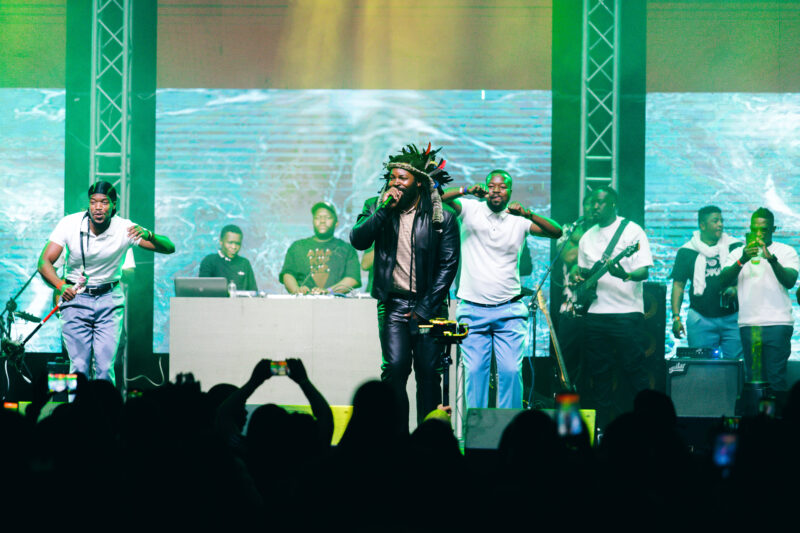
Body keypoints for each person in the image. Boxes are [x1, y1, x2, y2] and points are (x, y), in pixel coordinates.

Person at [350, 143, 459, 431]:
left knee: (428, 374)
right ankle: (394, 438)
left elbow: (449, 265)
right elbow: (358, 239)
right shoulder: (375, 206)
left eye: (403, 178)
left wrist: (425, 308)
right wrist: (384, 210)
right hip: (394, 304)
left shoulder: (442, 215)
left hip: (430, 307)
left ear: (418, 182)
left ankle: (428, 438)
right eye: (392, 177)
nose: (395, 183)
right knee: (395, 370)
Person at [442, 170, 562, 409]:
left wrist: (528, 213)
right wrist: (466, 190)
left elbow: (556, 232)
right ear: (485, 188)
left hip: (509, 311)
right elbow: (438, 197)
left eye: (502, 186)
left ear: (510, 191)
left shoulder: (519, 219)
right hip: (472, 310)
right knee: (475, 372)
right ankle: (476, 426)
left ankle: (509, 426)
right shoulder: (470, 209)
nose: (496, 190)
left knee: (510, 371)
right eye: (492, 185)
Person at [37, 181, 175, 383]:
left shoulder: (125, 228)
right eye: (93, 202)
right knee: (79, 367)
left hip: (109, 301)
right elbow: (44, 262)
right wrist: (60, 285)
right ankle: (78, 404)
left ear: (113, 205)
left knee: (104, 367)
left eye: (104, 202)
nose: (98, 207)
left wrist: (150, 235)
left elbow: (169, 247)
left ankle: (104, 404)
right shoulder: (69, 223)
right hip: (76, 299)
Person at [573, 186, 653, 428]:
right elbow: (584, 274)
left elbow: (644, 271)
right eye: (592, 203)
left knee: (634, 371)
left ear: (613, 204)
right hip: (596, 314)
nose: (594, 207)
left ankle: (644, 427)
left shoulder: (632, 231)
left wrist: (624, 274)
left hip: (626, 314)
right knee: (599, 376)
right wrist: (579, 278)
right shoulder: (586, 237)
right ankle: (600, 430)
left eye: (600, 202)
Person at [720, 207, 798, 391]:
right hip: (750, 325)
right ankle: (759, 411)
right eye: (755, 229)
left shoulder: (786, 251)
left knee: (776, 379)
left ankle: (776, 410)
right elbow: (722, 280)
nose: (759, 233)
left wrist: (771, 259)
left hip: (778, 323)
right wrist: (743, 259)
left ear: (773, 229)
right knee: (755, 381)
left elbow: (789, 281)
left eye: (764, 229)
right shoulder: (738, 253)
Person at [670, 206, 743, 359]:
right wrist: (676, 318)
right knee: (701, 368)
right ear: (702, 225)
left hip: (732, 318)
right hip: (700, 319)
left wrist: (736, 289)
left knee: (736, 366)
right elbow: (678, 286)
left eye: (721, 220)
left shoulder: (735, 246)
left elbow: (747, 278)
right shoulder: (686, 251)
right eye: (715, 221)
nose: (720, 224)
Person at [556, 195, 597, 395]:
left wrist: (581, 240)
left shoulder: (609, 231)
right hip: (570, 307)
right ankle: (568, 412)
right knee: (568, 365)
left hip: (600, 308)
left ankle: (596, 411)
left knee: (597, 364)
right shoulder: (569, 229)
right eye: (588, 204)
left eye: (597, 203)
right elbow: (569, 256)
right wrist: (589, 239)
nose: (593, 207)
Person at [280, 201, 361, 295]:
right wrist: (297, 291)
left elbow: (352, 279)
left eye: (327, 217)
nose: (322, 221)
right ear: (313, 222)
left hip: (336, 302)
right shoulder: (297, 246)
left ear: (336, 223)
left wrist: (329, 291)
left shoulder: (347, 249)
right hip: (302, 302)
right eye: (318, 217)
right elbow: (288, 274)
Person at [199, 224, 258, 291]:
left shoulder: (244, 263)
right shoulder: (209, 261)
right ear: (221, 241)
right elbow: (202, 291)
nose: (234, 247)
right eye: (230, 243)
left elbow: (253, 292)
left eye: (237, 243)